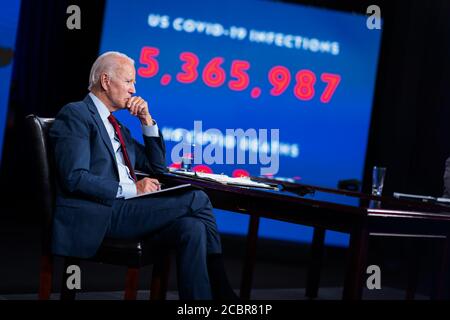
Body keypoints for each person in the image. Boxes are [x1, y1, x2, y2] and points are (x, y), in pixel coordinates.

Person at [49, 51, 237, 300]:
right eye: (128, 81)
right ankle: (222, 288)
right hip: (101, 213)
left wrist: (147, 121)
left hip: (125, 209)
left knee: (192, 228)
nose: (133, 89)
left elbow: (157, 168)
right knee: (197, 198)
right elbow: (75, 178)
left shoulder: (115, 125)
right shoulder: (76, 115)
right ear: (106, 81)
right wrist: (133, 189)